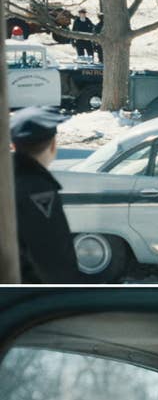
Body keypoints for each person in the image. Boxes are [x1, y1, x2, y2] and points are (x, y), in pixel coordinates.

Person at [10, 107, 82, 284]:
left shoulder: (10, 178)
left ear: (13, 146)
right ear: (53, 145)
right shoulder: (37, 188)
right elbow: (52, 257)